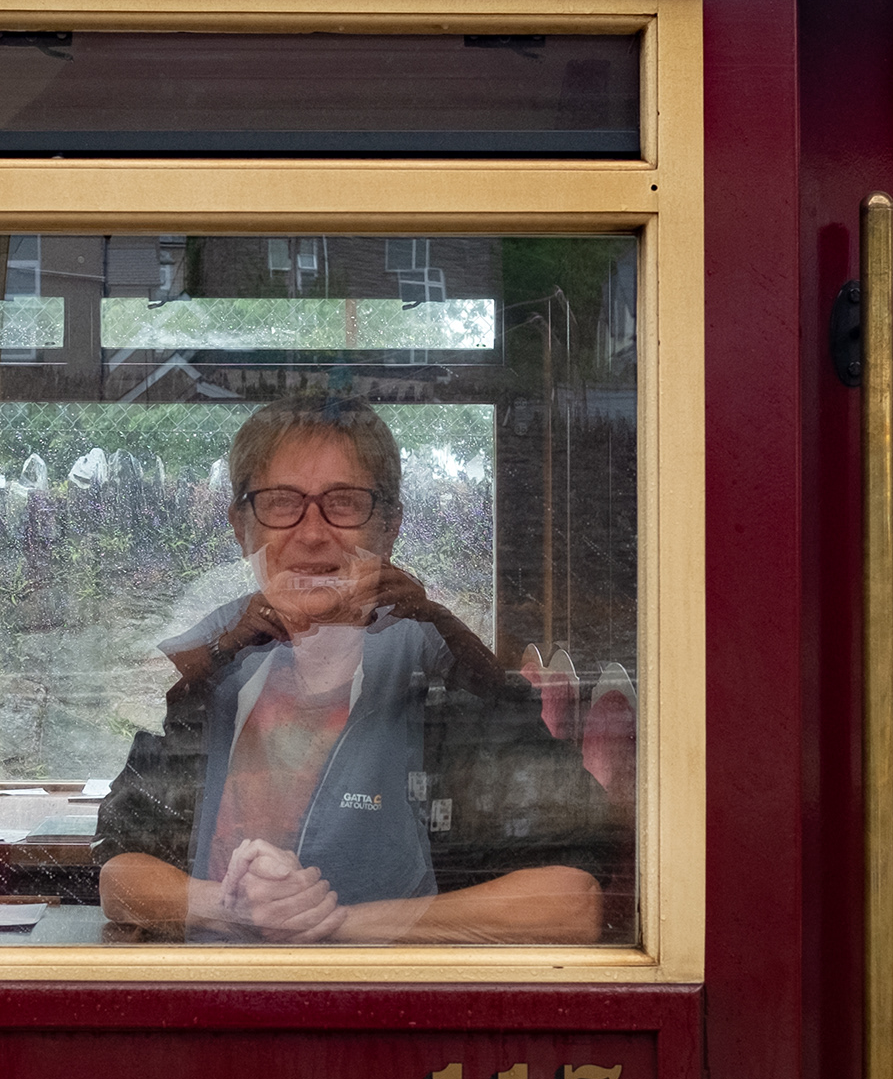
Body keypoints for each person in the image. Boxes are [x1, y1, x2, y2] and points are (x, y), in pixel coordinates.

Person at [94, 390, 621, 944]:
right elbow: (120, 876)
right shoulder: (217, 673)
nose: (312, 532)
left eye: (345, 503)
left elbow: (570, 902)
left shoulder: (446, 680)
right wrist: (233, 908)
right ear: (242, 528)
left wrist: (334, 925)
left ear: (389, 526)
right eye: (280, 502)